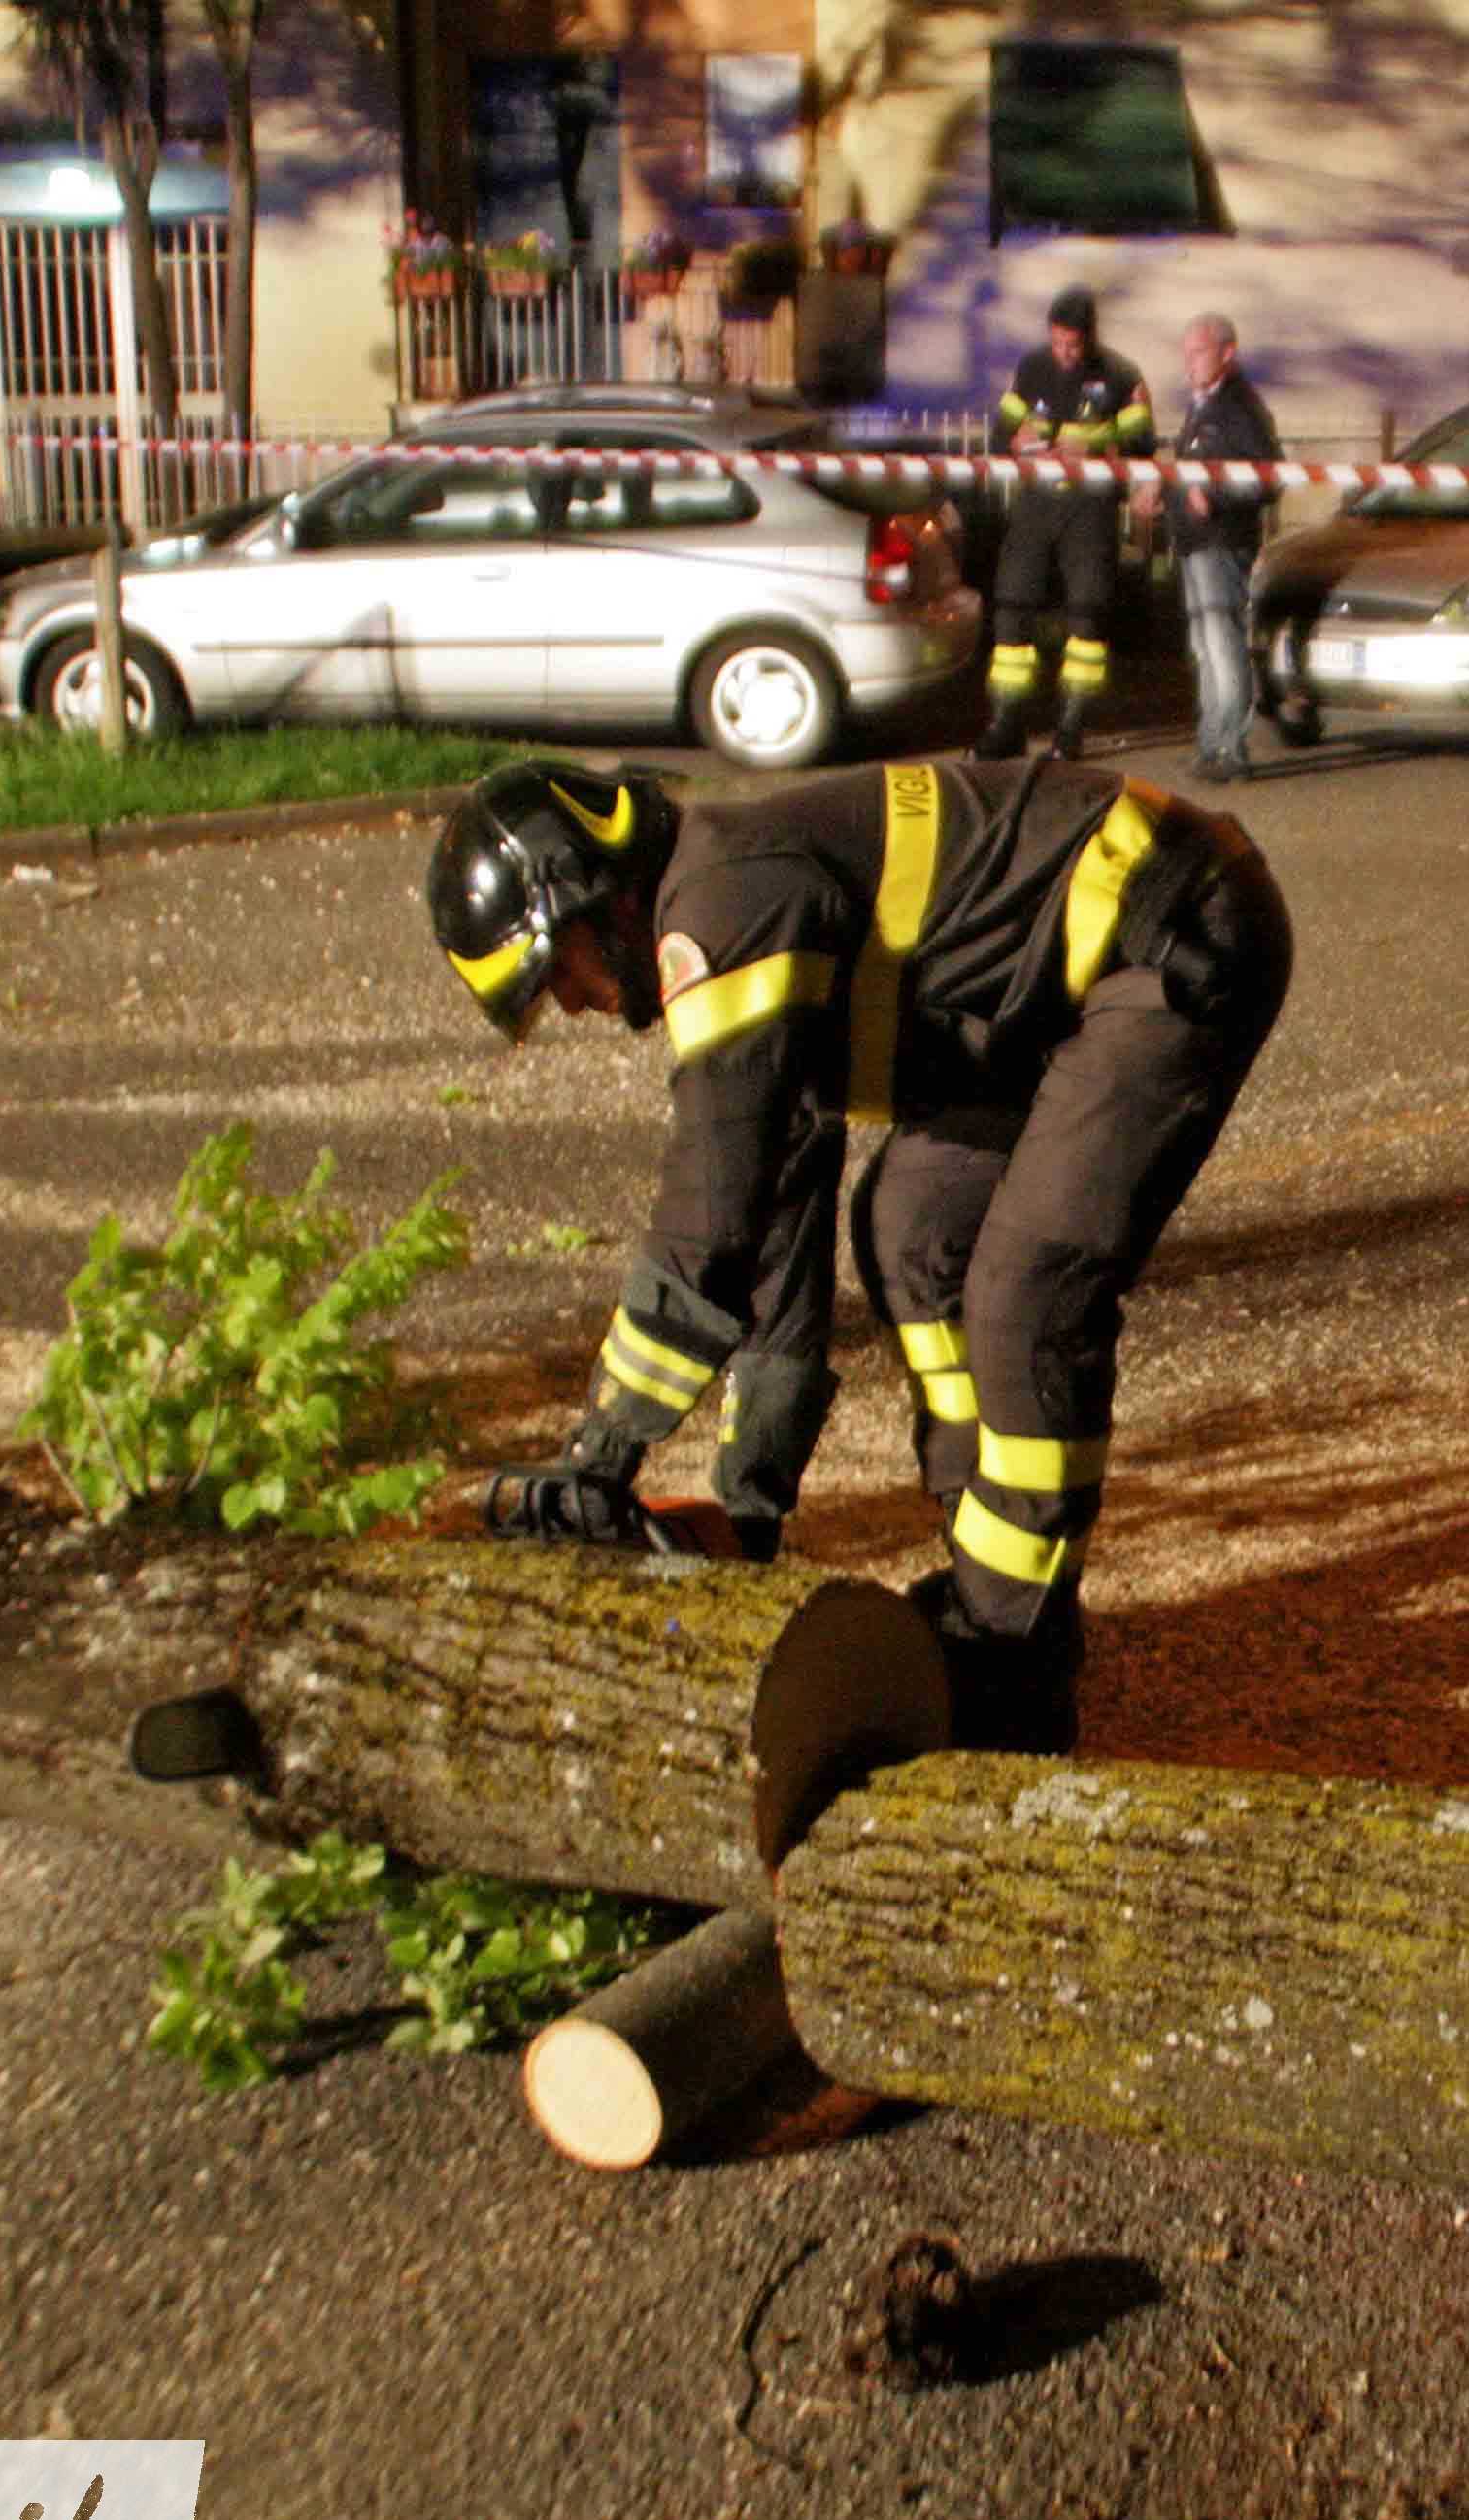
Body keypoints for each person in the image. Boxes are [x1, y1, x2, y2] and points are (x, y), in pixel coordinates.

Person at [424, 757, 1294, 1754]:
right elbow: (773, 1229)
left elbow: (706, 1220)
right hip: (1058, 992)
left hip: (1176, 930)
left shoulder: (723, 905)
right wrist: (751, 1506)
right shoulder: (726, 912)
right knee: (912, 1227)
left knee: (1027, 1290)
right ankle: (988, 1581)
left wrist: (600, 1455)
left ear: (594, 892)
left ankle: (1012, 1665)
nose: (574, 1003)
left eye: (559, 971)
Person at [975, 286, 1157, 763]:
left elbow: (1143, 443)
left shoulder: (1120, 376)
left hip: (1090, 508)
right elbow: (1000, 434)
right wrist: (1016, 441)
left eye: (1072, 345)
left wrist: (1098, 446)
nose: (1064, 353)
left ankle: (1071, 728)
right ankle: (1006, 723)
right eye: (1057, 343)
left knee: (1087, 614)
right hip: (1036, 503)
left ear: (1090, 337)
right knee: (1012, 606)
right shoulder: (1032, 368)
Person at [1136, 313, 1282, 783]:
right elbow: (1193, 468)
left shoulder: (1241, 408)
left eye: (1198, 353)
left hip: (1222, 544)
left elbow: (1268, 479)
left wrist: (1214, 497)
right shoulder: (1204, 406)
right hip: (1195, 543)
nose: (1189, 364)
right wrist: (1164, 489)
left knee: (1222, 645)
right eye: (1186, 355)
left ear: (1227, 352)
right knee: (1205, 647)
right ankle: (1210, 742)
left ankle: (1231, 749)